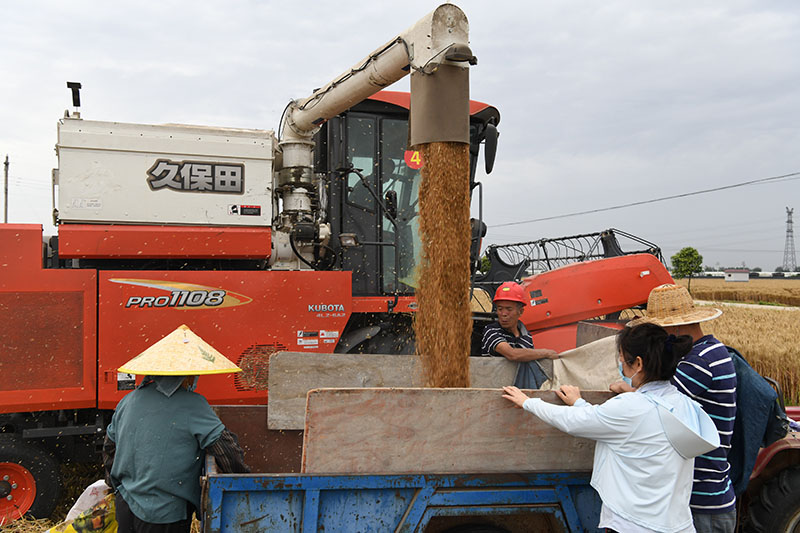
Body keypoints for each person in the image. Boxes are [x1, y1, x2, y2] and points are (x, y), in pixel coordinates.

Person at [503, 322, 720, 533]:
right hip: (676, 523)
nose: (621, 366)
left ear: (639, 364)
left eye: (623, 361)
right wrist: (579, 403)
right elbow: (607, 421)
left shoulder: (631, 407)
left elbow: (574, 421)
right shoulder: (682, 404)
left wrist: (528, 402)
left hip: (634, 523)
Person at [102, 324, 250, 533]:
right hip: (164, 514)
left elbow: (109, 449)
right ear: (186, 376)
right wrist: (245, 480)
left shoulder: (128, 400)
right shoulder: (193, 404)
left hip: (126, 506)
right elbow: (225, 449)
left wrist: (115, 486)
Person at [624, 284, 737, 533]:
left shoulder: (699, 362)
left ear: (674, 327)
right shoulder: (711, 350)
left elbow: (651, 402)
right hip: (707, 495)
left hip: (703, 500)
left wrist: (622, 387)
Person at [481, 281, 559, 387]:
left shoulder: (526, 336)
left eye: (509, 309)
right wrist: (546, 353)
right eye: (500, 309)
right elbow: (512, 354)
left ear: (520, 312)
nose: (503, 314)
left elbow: (530, 358)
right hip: (492, 387)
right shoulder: (491, 331)